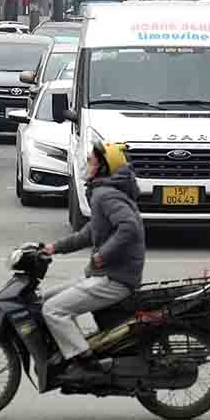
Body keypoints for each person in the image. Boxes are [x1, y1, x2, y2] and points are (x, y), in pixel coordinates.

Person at [40, 139, 144, 378]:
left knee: (53, 310)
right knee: (46, 299)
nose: (87, 163)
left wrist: (102, 255)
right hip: (104, 275)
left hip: (115, 279)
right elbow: (89, 233)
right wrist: (54, 248)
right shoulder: (103, 193)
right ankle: (75, 351)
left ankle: (85, 363)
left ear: (104, 167)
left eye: (91, 160)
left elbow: (129, 227)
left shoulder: (105, 195)